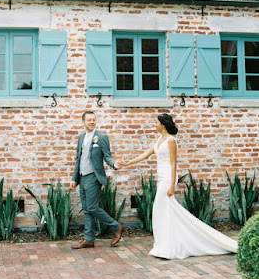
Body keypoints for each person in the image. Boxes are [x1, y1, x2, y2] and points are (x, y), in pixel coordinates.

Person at [120, 113, 238, 259]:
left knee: (158, 210)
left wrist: (172, 185)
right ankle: (162, 245)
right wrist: (128, 163)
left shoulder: (171, 141)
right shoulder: (159, 140)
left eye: (156, 123)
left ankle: (165, 248)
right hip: (161, 178)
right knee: (164, 212)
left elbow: (174, 163)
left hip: (168, 179)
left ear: (163, 125)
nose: (154, 125)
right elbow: (145, 154)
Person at [70, 111, 124, 249]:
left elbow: (107, 156)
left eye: (93, 120)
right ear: (83, 122)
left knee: (92, 207)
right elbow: (79, 159)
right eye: (89, 120)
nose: (92, 122)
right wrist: (74, 179)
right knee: (87, 209)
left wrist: (114, 164)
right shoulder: (81, 137)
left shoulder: (101, 137)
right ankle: (89, 239)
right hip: (82, 178)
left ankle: (116, 226)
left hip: (94, 177)